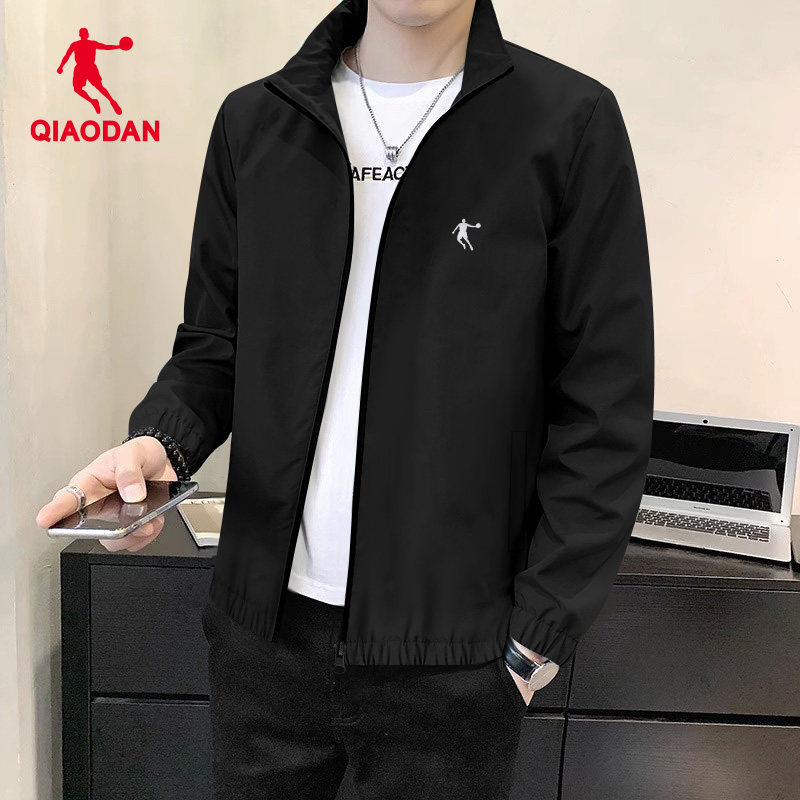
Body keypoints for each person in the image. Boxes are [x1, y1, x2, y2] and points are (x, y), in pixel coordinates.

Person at [37, 0, 655, 797]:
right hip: (263, 645)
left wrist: (533, 642)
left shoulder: (567, 124)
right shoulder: (256, 123)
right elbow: (215, 346)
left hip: (458, 664)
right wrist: (161, 442)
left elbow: (603, 406)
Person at [56, 27, 124, 115]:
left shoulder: (90, 43)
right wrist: (61, 66)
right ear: (82, 35)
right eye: (83, 33)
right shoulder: (76, 44)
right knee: (78, 89)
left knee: (98, 87)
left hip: (89, 67)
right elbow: (67, 56)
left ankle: (112, 101)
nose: (84, 35)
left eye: (85, 33)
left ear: (86, 35)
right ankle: (94, 101)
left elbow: (105, 47)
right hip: (81, 68)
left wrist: (118, 46)